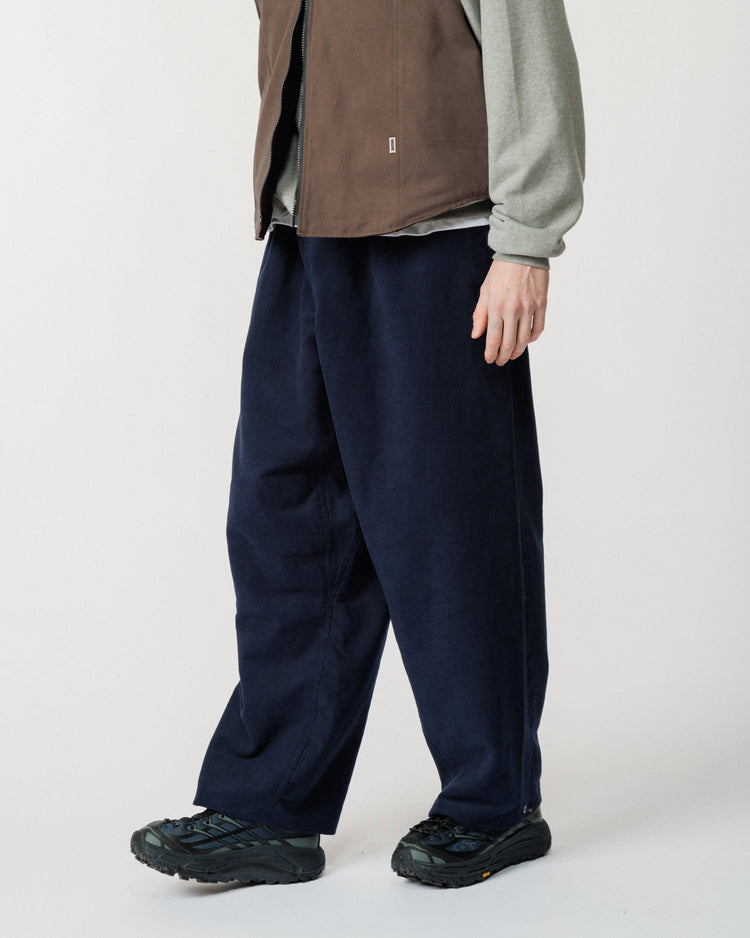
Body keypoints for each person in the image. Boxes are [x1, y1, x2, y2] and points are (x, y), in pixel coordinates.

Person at [131, 0, 585, 889]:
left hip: (439, 238)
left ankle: (494, 803)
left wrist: (525, 244)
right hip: (307, 234)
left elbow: (529, 52)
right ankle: (271, 803)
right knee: (285, 522)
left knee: (451, 528)